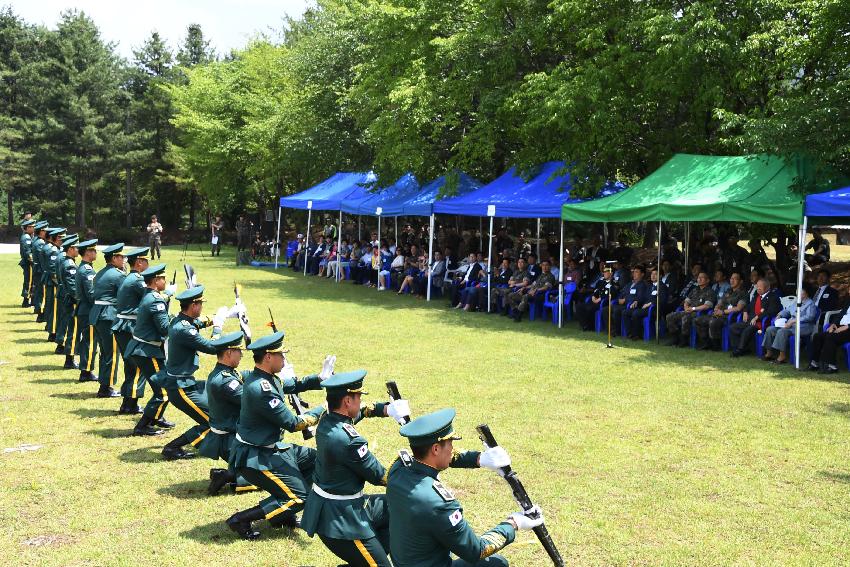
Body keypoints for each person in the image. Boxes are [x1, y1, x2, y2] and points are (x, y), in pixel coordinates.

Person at [387, 408, 544, 567]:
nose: (452, 449)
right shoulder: (439, 503)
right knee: (497, 564)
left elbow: (438, 459)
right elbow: (476, 550)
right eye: (450, 443)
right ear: (435, 449)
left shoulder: (398, 468)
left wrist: (479, 459)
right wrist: (513, 523)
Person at [301, 370, 411, 566]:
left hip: (333, 505)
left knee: (397, 507)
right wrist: (410, 469)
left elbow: (356, 416)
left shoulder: (328, 420)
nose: (360, 401)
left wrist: (386, 409)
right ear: (347, 401)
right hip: (342, 519)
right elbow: (379, 476)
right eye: (358, 397)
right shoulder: (349, 441)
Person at [225, 331, 326, 540]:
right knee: (300, 498)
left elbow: (292, 384)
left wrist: (320, 379)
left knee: (318, 462)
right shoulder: (261, 388)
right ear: (269, 357)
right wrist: (323, 409)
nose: (284, 359)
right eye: (281, 355)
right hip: (256, 456)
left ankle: (283, 511)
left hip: (270, 448)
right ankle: (241, 519)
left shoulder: (266, 378)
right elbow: (293, 424)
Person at [159, 286, 229, 460]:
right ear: (194, 306)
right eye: (200, 304)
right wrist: (218, 328)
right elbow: (213, 348)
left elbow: (198, 323)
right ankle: (172, 448)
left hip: (186, 383)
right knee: (214, 421)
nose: (202, 308)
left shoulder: (180, 321)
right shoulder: (184, 329)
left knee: (215, 414)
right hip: (181, 388)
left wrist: (220, 316)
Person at [198, 330, 259, 495]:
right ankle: (227, 475)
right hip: (230, 440)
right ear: (229, 353)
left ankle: (229, 472)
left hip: (229, 436)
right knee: (262, 477)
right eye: (239, 352)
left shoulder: (224, 372)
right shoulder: (225, 381)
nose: (241, 355)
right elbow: (252, 402)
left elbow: (246, 375)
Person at [126, 263, 177, 436]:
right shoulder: (155, 299)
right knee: (163, 391)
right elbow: (164, 328)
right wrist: (180, 322)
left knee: (162, 388)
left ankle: (155, 417)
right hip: (147, 351)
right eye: (163, 278)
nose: (165, 281)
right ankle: (142, 427)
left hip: (144, 349)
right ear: (156, 281)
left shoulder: (150, 296)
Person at [112, 248, 150, 415]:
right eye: (146, 260)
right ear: (139, 262)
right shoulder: (137, 280)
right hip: (129, 326)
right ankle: (131, 404)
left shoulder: (131, 277)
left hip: (123, 325)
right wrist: (167, 294)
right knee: (138, 365)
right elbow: (150, 298)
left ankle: (127, 403)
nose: (148, 264)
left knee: (130, 365)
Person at [89, 243, 126, 398]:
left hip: (97, 314)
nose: (124, 260)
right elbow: (125, 295)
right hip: (109, 315)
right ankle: (107, 387)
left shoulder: (99, 273)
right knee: (111, 352)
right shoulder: (118, 275)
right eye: (122, 257)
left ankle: (104, 384)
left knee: (105, 351)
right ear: (114, 258)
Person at [762, 283, 817, 364]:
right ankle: (769, 353)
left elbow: (810, 317)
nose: (798, 292)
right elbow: (787, 310)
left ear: (806, 293)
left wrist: (794, 320)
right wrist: (780, 315)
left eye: (801, 291)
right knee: (770, 329)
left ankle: (782, 356)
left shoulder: (810, 303)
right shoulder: (796, 302)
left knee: (782, 331)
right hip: (790, 325)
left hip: (803, 327)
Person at [693, 272, 748, 351]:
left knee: (713, 322)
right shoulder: (729, 291)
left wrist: (723, 312)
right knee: (698, 320)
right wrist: (717, 307)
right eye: (731, 278)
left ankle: (716, 345)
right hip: (719, 314)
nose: (732, 281)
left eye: (735, 279)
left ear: (741, 281)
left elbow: (738, 308)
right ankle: (705, 342)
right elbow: (721, 301)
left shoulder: (743, 293)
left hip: (730, 316)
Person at [729, 279, 782, 357]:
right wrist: (745, 312)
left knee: (747, 330)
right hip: (750, 321)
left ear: (767, 287)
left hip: (762, 323)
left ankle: (740, 349)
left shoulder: (773, 297)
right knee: (733, 327)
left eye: (760, 286)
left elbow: (771, 312)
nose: (758, 288)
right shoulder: (757, 296)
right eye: (757, 286)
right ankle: (739, 348)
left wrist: (758, 317)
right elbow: (748, 306)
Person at [664, 272, 717, 347]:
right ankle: (675, 338)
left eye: (702, 278)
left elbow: (707, 306)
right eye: (698, 277)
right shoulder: (694, 290)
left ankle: (684, 340)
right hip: (688, 311)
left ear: (707, 280)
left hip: (699, 313)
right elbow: (686, 300)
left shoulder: (710, 292)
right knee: (669, 316)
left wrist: (693, 308)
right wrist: (686, 307)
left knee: (685, 318)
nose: (699, 279)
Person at [74, 239, 99, 383]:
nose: (95, 253)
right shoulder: (87, 270)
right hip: (89, 311)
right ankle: (86, 371)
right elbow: (91, 294)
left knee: (88, 341)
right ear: (88, 252)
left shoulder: (84, 268)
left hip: (85, 310)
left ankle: (86, 369)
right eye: (93, 250)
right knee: (90, 342)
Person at [604, 265, 649, 337]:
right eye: (633, 272)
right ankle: (611, 330)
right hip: (622, 304)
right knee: (606, 309)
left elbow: (640, 298)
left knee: (616, 310)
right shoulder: (630, 284)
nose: (634, 273)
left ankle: (617, 331)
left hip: (631, 306)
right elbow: (622, 292)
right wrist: (618, 299)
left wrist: (625, 300)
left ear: (642, 274)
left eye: (636, 272)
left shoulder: (642, 285)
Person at [57, 236, 80, 370]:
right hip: (72, 302)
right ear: (70, 249)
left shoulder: (68, 262)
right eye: (76, 247)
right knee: (74, 330)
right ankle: (69, 359)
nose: (78, 250)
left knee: (72, 329)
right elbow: (73, 288)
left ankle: (70, 358)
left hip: (68, 300)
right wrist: (79, 300)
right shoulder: (70, 264)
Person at [624, 268, 667, 339]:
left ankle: (637, 334)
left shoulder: (662, 287)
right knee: (626, 312)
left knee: (636, 313)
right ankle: (629, 333)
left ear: (660, 276)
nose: (653, 276)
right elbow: (643, 297)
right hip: (644, 307)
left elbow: (662, 300)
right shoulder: (650, 286)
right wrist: (636, 301)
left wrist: (650, 303)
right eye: (652, 274)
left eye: (656, 274)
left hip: (654, 309)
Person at [808, 303, 850, 373]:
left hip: (848, 329)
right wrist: (833, 324)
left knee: (831, 337)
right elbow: (839, 315)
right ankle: (814, 363)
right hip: (840, 327)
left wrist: (848, 326)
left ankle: (831, 366)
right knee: (818, 336)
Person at [42, 228, 66, 342]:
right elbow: (53, 271)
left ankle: (51, 329)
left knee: (54, 307)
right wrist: (59, 284)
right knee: (55, 309)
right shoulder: (54, 251)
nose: (63, 239)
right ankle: (52, 332)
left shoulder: (56, 249)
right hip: (54, 284)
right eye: (61, 237)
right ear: (56, 238)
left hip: (54, 283)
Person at [576, 266, 617, 331]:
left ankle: (591, 327)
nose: (604, 273)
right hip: (594, 300)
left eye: (606, 272)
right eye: (604, 272)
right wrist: (593, 296)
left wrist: (600, 299)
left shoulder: (614, 282)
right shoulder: (601, 281)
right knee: (579, 307)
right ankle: (584, 325)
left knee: (590, 309)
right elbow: (596, 290)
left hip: (603, 303)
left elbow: (612, 293)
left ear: (611, 273)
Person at [30, 222, 49, 319]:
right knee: (41, 292)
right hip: (40, 271)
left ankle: (38, 309)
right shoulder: (40, 243)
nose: (47, 232)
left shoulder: (37, 240)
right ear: (41, 232)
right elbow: (43, 260)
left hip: (38, 270)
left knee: (39, 291)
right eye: (45, 230)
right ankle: (40, 312)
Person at [19, 219, 35, 308]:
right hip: (29, 263)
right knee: (28, 281)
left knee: (31, 281)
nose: (33, 228)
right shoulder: (26, 237)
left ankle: (31, 300)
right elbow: (28, 252)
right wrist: (33, 262)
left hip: (29, 263)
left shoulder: (28, 236)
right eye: (32, 227)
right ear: (28, 227)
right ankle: (25, 301)